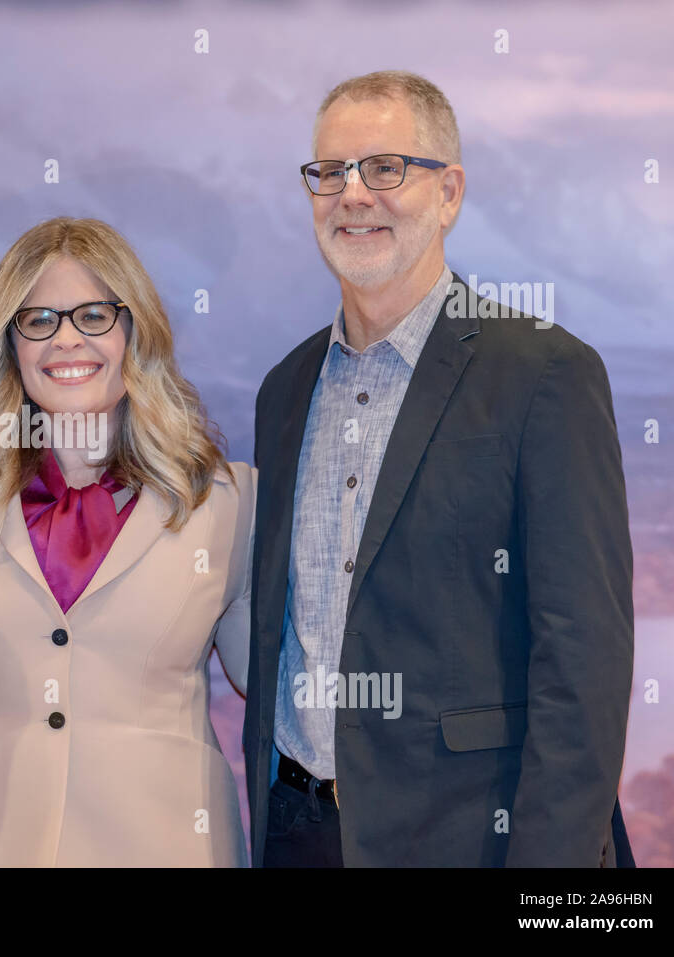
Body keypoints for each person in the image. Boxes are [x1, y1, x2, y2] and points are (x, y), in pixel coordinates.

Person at [245, 70, 635, 867]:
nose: (353, 194)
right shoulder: (284, 390)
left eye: (386, 168)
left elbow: (584, 662)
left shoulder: (544, 374)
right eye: (329, 173)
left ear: (449, 192)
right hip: (298, 835)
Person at [0, 217, 253, 866]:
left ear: (133, 329)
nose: (66, 339)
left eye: (93, 315)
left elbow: (278, 682)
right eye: (38, 320)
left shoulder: (229, 502)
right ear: (9, 345)